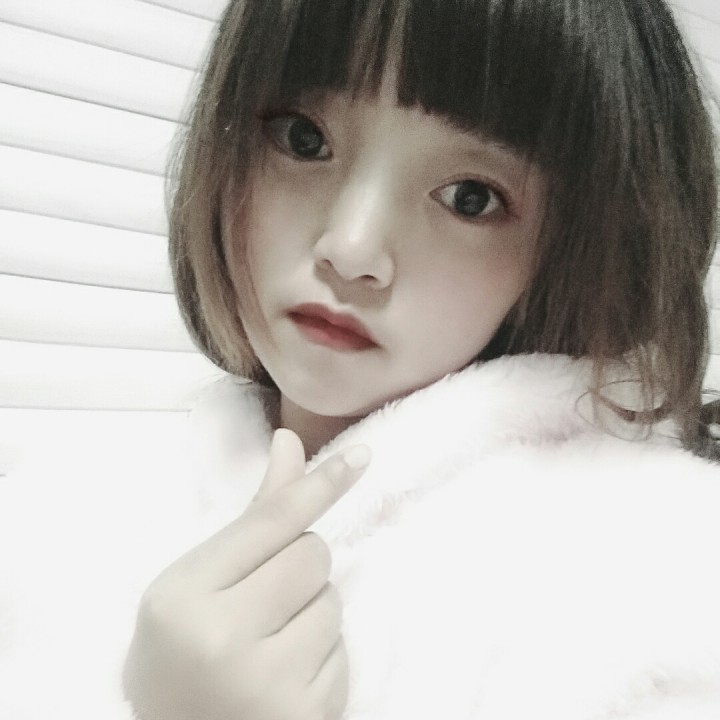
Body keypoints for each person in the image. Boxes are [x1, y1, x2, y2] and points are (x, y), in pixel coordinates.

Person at [2, 0, 720, 718]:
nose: (350, 250)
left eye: (470, 198)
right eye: (303, 139)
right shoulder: (69, 510)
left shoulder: (651, 581)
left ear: (569, 254)